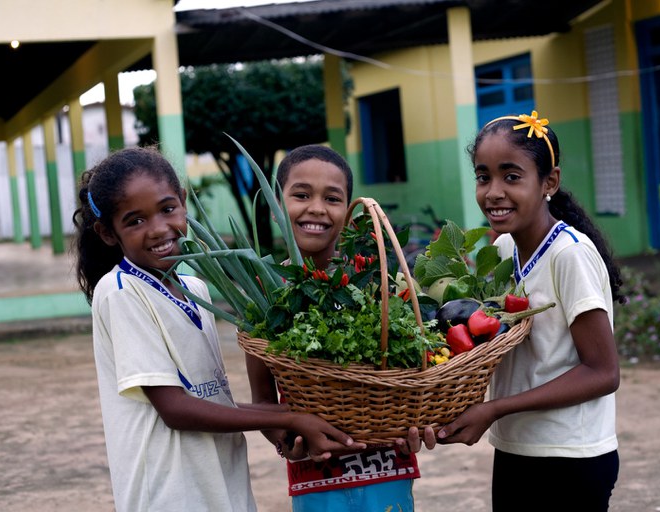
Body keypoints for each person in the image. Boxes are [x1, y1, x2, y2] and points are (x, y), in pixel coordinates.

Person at [72, 146, 362, 512]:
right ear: (108, 233)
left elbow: (210, 400)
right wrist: (291, 417)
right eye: (135, 220)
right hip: (169, 493)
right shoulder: (120, 293)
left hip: (221, 485)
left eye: (167, 209)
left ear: (183, 202)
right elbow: (175, 409)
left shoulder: (196, 289)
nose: (159, 228)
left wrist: (295, 421)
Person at [434, 111, 624, 511]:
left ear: (549, 182)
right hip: (517, 446)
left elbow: (603, 372)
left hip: (572, 456)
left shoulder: (568, 255)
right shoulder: (504, 250)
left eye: (512, 176)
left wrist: (495, 408)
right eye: (483, 176)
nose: (494, 191)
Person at [246, 144, 423, 512]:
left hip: (386, 469)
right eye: (301, 195)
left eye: (332, 198)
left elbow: (411, 378)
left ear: (348, 210)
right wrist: (285, 441)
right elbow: (263, 400)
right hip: (316, 478)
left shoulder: (376, 282)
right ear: (278, 207)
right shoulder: (265, 292)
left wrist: (414, 424)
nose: (316, 208)